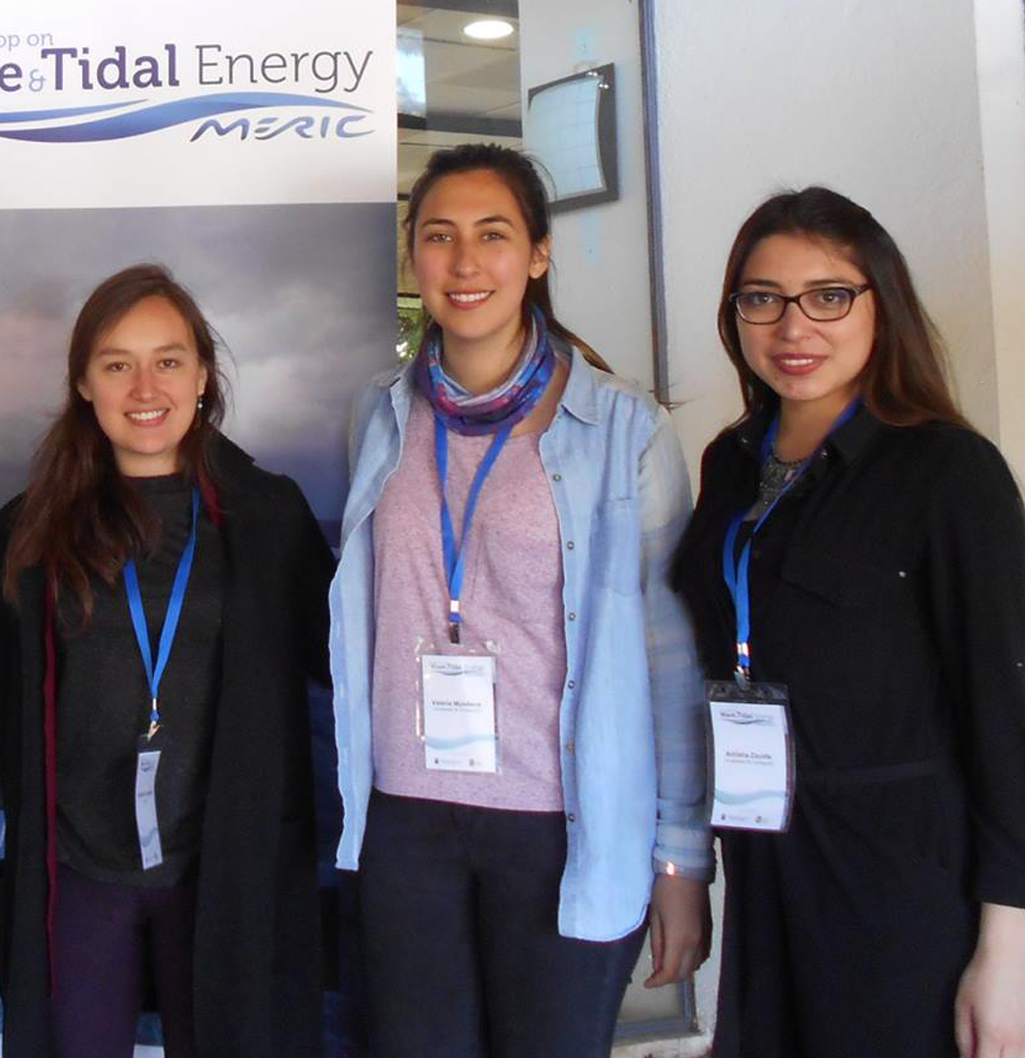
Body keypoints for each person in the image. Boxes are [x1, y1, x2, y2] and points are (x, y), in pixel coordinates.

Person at [329, 143, 712, 1058]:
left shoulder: (626, 430)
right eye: (439, 236)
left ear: (538, 253)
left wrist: (682, 856)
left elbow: (670, 661)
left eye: (493, 235)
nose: (465, 264)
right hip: (406, 821)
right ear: (413, 255)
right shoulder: (377, 414)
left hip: (561, 823)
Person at [670, 187, 1025, 1058]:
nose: (794, 328)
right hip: (767, 855)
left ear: (882, 305)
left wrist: (1008, 949)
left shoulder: (948, 472)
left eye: (829, 296)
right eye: (763, 299)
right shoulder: (731, 463)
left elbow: (1008, 716)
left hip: (902, 876)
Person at [0, 264, 333, 1058]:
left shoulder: (270, 519)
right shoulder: (27, 536)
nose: (145, 385)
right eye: (116, 362)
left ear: (203, 376)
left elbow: (337, 667)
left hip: (221, 866)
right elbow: (0, 689)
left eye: (168, 360)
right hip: (81, 870)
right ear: (83, 383)